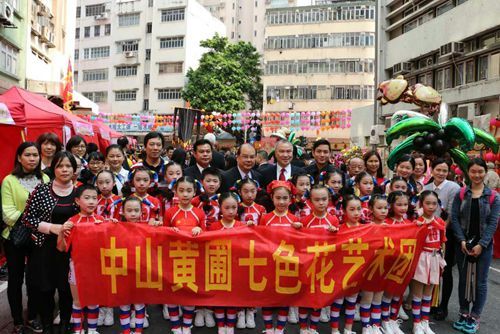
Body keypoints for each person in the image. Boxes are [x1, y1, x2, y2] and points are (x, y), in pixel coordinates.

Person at [23, 151, 79, 333]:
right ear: (53, 169)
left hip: (72, 250)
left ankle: (65, 322)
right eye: (60, 166)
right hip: (44, 247)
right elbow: (28, 219)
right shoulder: (41, 190)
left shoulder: (81, 192)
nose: (64, 170)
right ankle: (47, 322)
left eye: (68, 166)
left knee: (67, 288)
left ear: (74, 169)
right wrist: (52, 228)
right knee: (45, 288)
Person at [1, 142, 48, 334]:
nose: (32, 158)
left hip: (40, 236)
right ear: (19, 158)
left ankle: (32, 317)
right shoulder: (9, 180)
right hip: (15, 237)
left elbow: (48, 208)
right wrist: (32, 220)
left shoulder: (44, 178)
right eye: (27, 155)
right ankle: (18, 320)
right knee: (15, 279)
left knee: (35, 279)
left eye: (35, 155)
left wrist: (39, 224)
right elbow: (7, 212)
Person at [450, 158, 499, 334]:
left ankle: (475, 316)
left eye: (480, 171)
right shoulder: (461, 194)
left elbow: (493, 223)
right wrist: (461, 240)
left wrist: (482, 244)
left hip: (483, 247)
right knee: (463, 280)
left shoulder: (493, 196)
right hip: (463, 244)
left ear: (485, 172)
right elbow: (454, 218)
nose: (477, 175)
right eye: (473, 171)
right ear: (468, 173)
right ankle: (463, 313)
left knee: (480, 283)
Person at [56, 185, 103, 334]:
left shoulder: (102, 221)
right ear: (77, 201)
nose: (91, 202)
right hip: (77, 266)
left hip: (97, 267)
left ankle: (93, 330)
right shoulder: (72, 221)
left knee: (94, 301)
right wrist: (62, 232)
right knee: (78, 301)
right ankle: (78, 330)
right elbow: (61, 248)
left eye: (94, 198)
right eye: (87, 198)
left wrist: (112, 226)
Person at [164, 176, 206, 334]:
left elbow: (207, 235)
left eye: (189, 190)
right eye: (181, 190)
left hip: (193, 259)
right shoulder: (170, 212)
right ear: (175, 191)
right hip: (174, 258)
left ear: (195, 192)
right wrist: (169, 231)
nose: (185, 194)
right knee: (173, 292)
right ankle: (175, 325)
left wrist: (200, 230)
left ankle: (187, 325)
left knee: (190, 291)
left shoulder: (199, 213)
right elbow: (162, 234)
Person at [260, 180, 301, 334]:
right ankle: (269, 328)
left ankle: (280, 328)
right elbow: (261, 240)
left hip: (287, 266)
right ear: (272, 198)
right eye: (278, 198)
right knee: (268, 298)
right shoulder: (266, 218)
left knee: (284, 298)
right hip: (270, 264)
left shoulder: (295, 220)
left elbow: (300, 244)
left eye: (285, 198)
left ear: (291, 199)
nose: (282, 202)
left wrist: (299, 229)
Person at [422, 158, 460, 320]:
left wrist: (441, 230)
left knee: (446, 271)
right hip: (427, 235)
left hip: (445, 236)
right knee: (428, 269)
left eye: (445, 171)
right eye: (438, 170)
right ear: (432, 169)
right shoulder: (426, 188)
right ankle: (428, 303)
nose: (441, 173)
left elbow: (452, 213)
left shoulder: (454, 187)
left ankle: (443, 306)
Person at [298, 185, 339, 334]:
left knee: (318, 298)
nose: (321, 203)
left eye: (324, 199)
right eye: (317, 200)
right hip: (308, 265)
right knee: (304, 297)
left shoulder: (333, 220)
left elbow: (339, 244)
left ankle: (313, 328)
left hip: (326, 266)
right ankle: (303, 328)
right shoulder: (305, 220)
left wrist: (335, 233)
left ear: (329, 200)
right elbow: (300, 244)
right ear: (310, 201)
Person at [209, 192, 245, 334]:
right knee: (219, 297)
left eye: (234, 207)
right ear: (220, 208)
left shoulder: (241, 226)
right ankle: (220, 324)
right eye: (227, 208)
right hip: (218, 267)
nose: (231, 211)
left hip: (236, 268)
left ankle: (230, 325)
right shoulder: (213, 226)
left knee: (232, 298)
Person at [411, 191, 446, 334]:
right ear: (421, 204)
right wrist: (420, 220)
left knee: (428, 293)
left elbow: (443, 242)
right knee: (418, 292)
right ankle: (416, 323)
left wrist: (442, 260)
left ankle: (425, 321)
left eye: (434, 203)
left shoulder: (440, 222)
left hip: (434, 257)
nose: (431, 206)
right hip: (421, 257)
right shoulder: (417, 222)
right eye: (427, 203)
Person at [330, 195, 363, 334]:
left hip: (357, 272)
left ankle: (348, 330)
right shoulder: (339, 229)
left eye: (359, 209)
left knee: (352, 302)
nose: (356, 213)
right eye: (352, 209)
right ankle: (334, 330)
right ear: (344, 211)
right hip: (340, 272)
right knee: (337, 303)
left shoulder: (366, 229)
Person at [116, 196, 148, 334]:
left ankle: (138, 331)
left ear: (142, 212)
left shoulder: (147, 229)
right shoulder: (115, 228)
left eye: (136, 210)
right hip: (122, 273)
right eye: (129, 210)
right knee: (124, 304)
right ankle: (126, 332)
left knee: (139, 304)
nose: (133, 214)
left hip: (140, 274)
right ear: (122, 211)